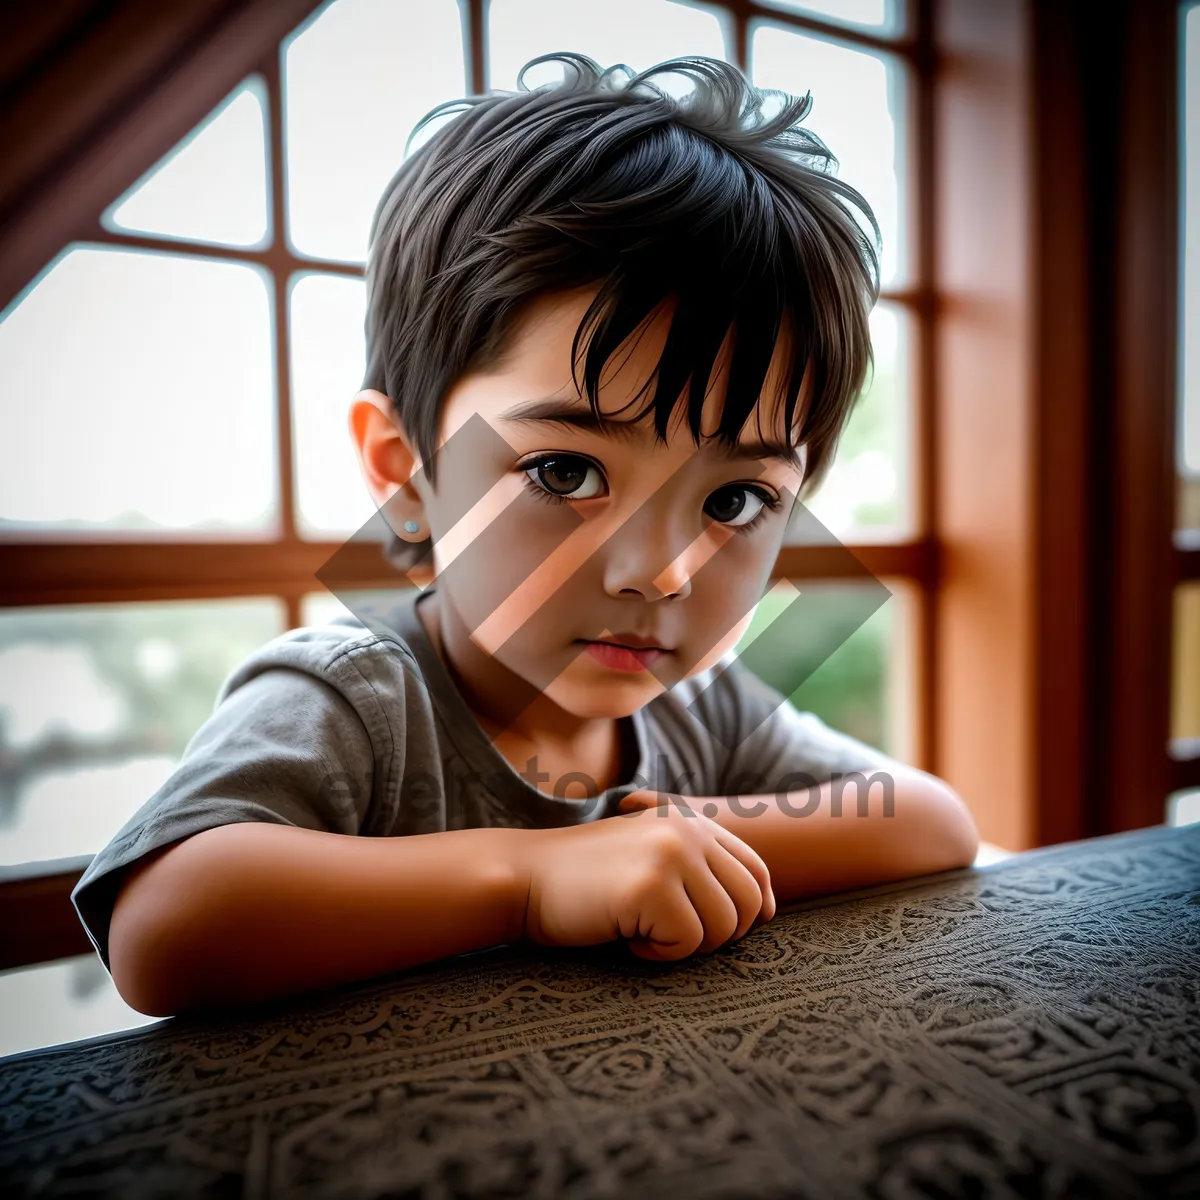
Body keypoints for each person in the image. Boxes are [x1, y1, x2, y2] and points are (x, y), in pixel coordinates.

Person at [73, 52, 979, 1017]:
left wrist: (687, 834)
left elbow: (931, 823)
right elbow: (165, 930)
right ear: (402, 469)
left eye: (734, 501)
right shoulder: (360, 700)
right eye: (565, 472)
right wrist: (535, 879)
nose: (659, 573)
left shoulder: (699, 710)